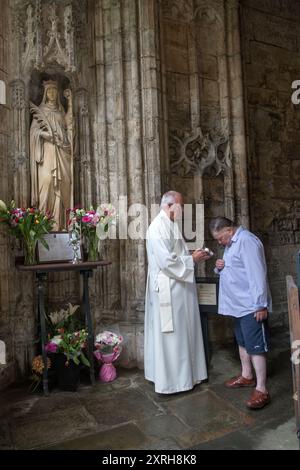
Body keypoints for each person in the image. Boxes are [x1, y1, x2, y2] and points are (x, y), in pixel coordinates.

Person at [144, 191, 210, 394]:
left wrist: (191, 255)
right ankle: (173, 381)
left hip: (178, 287)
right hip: (168, 289)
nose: (182, 209)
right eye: (180, 205)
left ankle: (187, 376)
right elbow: (166, 263)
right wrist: (192, 260)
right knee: (172, 336)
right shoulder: (157, 227)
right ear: (170, 205)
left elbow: (174, 254)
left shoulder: (169, 224)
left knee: (184, 333)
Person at [210, 216, 272, 409]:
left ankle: (262, 389)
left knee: (256, 346)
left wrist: (260, 304)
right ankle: (247, 376)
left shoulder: (247, 241)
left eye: (220, 238)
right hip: (238, 306)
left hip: (250, 305)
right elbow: (236, 269)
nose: (220, 242)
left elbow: (257, 273)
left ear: (229, 230)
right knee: (242, 342)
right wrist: (219, 267)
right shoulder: (232, 243)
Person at [30, 80, 74, 230]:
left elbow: (69, 126)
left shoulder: (61, 112)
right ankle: (43, 225)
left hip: (62, 153)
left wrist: (71, 102)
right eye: (49, 91)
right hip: (47, 153)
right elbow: (33, 132)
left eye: (55, 91)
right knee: (47, 183)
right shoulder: (41, 111)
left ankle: (62, 224)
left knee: (63, 186)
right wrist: (44, 134)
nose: (52, 94)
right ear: (45, 94)